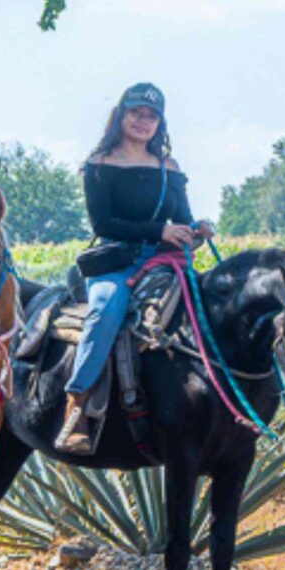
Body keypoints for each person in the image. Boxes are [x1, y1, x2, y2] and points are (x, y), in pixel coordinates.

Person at [56, 82, 212, 453]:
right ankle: (77, 403)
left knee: (212, 306)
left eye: (152, 116)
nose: (144, 121)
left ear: (160, 123)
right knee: (107, 307)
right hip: (117, 260)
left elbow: (184, 219)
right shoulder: (101, 164)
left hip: (167, 261)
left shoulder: (169, 168)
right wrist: (159, 230)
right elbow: (103, 225)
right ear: (121, 116)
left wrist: (196, 230)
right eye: (137, 113)